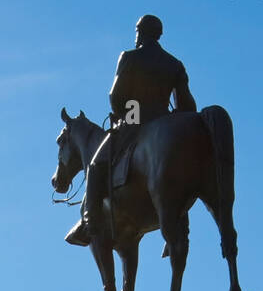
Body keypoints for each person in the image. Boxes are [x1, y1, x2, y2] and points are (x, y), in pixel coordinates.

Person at [66, 14, 197, 247]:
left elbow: (115, 96)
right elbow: (187, 107)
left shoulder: (129, 57)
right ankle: (180, 227)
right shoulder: (174, 64)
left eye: (137, 31)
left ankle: (90, 223)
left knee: (96, 167)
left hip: (135, 123)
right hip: (163, 122)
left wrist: (129, 117)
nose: (135, 36)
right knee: (176, 169)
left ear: (141, 33)